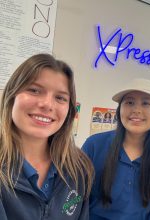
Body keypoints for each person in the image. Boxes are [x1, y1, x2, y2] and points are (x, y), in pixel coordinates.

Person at [0, 54, 94, 220]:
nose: (47, 105)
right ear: (11, 96)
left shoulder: (79, 168)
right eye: (34, 90)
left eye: (60, 98)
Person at [82, 78, 150, 220]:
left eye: (146, 103)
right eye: (129, 102)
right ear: (120, 109)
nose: (137, 110)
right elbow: (75, 196)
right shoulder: (94, 145)